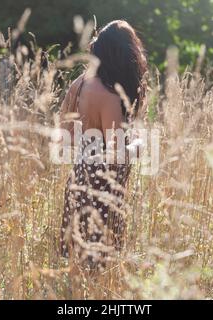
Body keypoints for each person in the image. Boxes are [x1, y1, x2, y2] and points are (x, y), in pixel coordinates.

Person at [59, 20, 148, 267]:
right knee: (99, 271)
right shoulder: (109, 95)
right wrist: (139, 145)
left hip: (78, 183)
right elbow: (116, 154)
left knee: (76, 266)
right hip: (103, 193)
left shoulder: (79, 84)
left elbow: (64, 141)